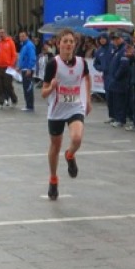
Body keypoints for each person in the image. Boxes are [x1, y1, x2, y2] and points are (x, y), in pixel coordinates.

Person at [41, 29, 92, 201]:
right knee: (55, 146)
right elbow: (43, 93)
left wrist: (88, 99)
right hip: (56, 110)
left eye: (71, 41)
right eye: (65, 41)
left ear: (75, 45)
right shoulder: (52, 64)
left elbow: (87, 78)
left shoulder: (81, 63)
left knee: (77, 138)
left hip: (74, 107)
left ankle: (70, 155)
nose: (68, 44)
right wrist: (52, 87)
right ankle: (53, 179)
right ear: (58, 44)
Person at [0, 27, 18, 110]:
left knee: (8, 85)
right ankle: (0, 102)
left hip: (8, 67)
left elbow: (14, 54)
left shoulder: (10, 42)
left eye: (2, 32)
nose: (1, 34)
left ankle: (14, 99)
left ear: (5, 33)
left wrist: (12, 64)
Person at [93, 33, 114, 122]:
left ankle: (120, 116)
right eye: (100, 39)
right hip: (106, 76)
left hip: (115, 74)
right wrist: (101, 68)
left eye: (104, 38)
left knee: (116, 96)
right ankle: (112, 116)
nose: (102, 40)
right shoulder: (99, 51)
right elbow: (95, 63)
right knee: (109, 96)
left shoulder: (113, 47)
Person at [17, 30, 37, 111]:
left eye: (23, 36)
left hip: (28, 69)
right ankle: (28, 105)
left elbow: (32, 57)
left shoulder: (29, 45)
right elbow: (23, 57)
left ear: (26, 36)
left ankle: (30, 106)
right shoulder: (24, 45)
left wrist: (29, 68)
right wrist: (19, 66)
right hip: (24, 68)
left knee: (28, 87)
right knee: (26, 87)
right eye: (20, 36)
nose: (21, 38)